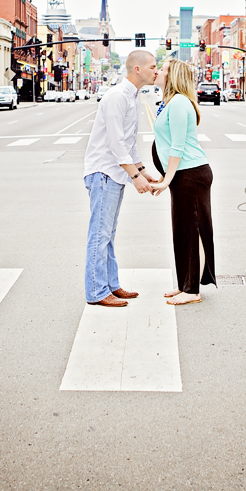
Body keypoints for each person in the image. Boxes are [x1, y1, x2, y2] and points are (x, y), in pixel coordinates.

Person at [82, 50, 160, 307]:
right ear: (137, 69)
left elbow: (128, 142)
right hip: (104, 172)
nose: (155, 70)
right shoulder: (117, 97)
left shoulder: (132, 96)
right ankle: (96, 291)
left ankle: (112, 285)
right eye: (152, 66)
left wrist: (144, 171)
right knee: (100, 234)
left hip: (114, 173)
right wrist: (136, 176)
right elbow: (116, 144)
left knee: (109, 233)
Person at [150, 59, 216, 306]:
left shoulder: (178, 103)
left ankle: (192, 290)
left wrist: (167, 178)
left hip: (191, 175)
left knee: (192, 231)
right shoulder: (170, 102)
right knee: (183, 231)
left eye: (163, 69)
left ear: (172, 76)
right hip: (182, 174)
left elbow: (178, 145)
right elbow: (169, 145)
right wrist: (165, 174)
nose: (157, 71)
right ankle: (184, 283)